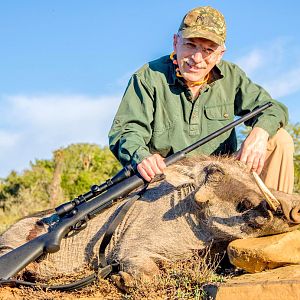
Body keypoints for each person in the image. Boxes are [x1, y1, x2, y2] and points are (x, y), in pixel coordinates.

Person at [108, 6, 294, 193]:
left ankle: (276, 217)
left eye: (208, 49)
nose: (197, 58)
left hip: (222, 174)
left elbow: (273, 108)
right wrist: (142, 157)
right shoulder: (148, 77)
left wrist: (260, 133)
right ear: (175, 42)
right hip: (168, 175)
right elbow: (126, 131)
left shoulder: (232, 76)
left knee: (280, 140)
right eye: (190, 45)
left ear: (220, 54)